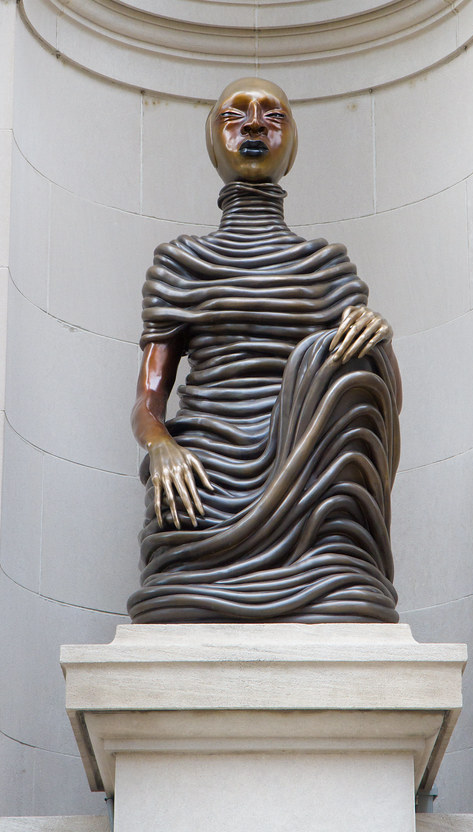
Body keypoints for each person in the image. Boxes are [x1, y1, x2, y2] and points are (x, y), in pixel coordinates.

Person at [127, 78, 402, 623]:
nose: (254, 124)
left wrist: (375, 339)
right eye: (236, 114)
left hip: (307, 465)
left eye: (272, 114)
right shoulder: (181, 263)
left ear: (292, 143)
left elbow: (381, 398)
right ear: (213, 139)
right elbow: (147, 401)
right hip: (209, 469)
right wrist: (160, 446)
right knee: (177, 534)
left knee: (358, 354)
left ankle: (325, 565)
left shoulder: (326, 266)